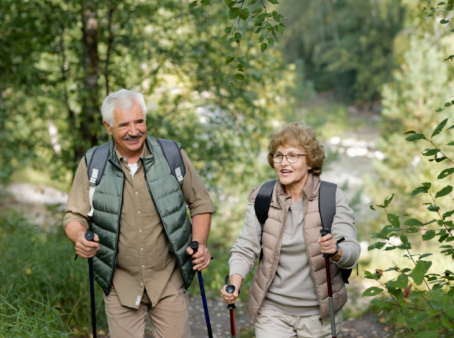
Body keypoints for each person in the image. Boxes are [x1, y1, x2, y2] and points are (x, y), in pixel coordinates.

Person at [63, 89, 215, 338]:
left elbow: (200, 203)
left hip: (168, 279)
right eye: (124, 124)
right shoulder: (93, 163)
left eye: (139, 121)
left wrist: (200, 243)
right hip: (119, 283)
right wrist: (79, 236)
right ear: (108, 126)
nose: (134, 131)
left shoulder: (172, 155)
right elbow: (73, 216)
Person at [220, 122, 360, 337]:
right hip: (272, 310)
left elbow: (351, 252)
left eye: (293, 155)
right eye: (279, 155)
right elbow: (245, 248)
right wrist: (234, 284)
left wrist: (336, 250)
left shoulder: (331, 197)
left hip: (318, 314)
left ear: (310, 161)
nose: (284, 162)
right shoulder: (263, 197)